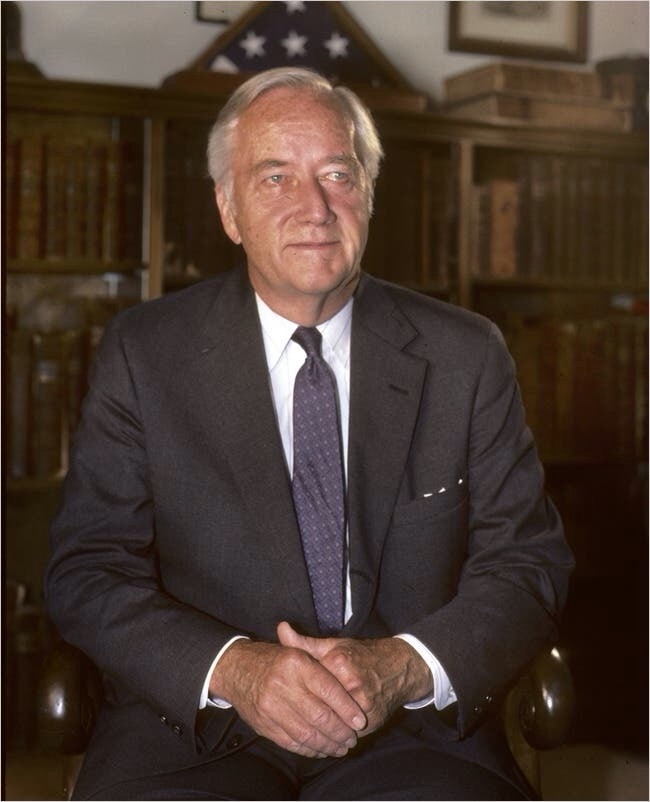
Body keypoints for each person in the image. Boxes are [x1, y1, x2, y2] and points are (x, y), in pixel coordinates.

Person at [45, 66, 574, 801]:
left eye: (337, 175)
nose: (315, 208)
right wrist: (238, 670)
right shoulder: (145, 353)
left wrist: (403, 667)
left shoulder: (466, 354)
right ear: (229, 210)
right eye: (275, 178)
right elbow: (88, 569)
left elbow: (527, 564)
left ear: (369, 194)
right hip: (194, 734)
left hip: (411, 737)